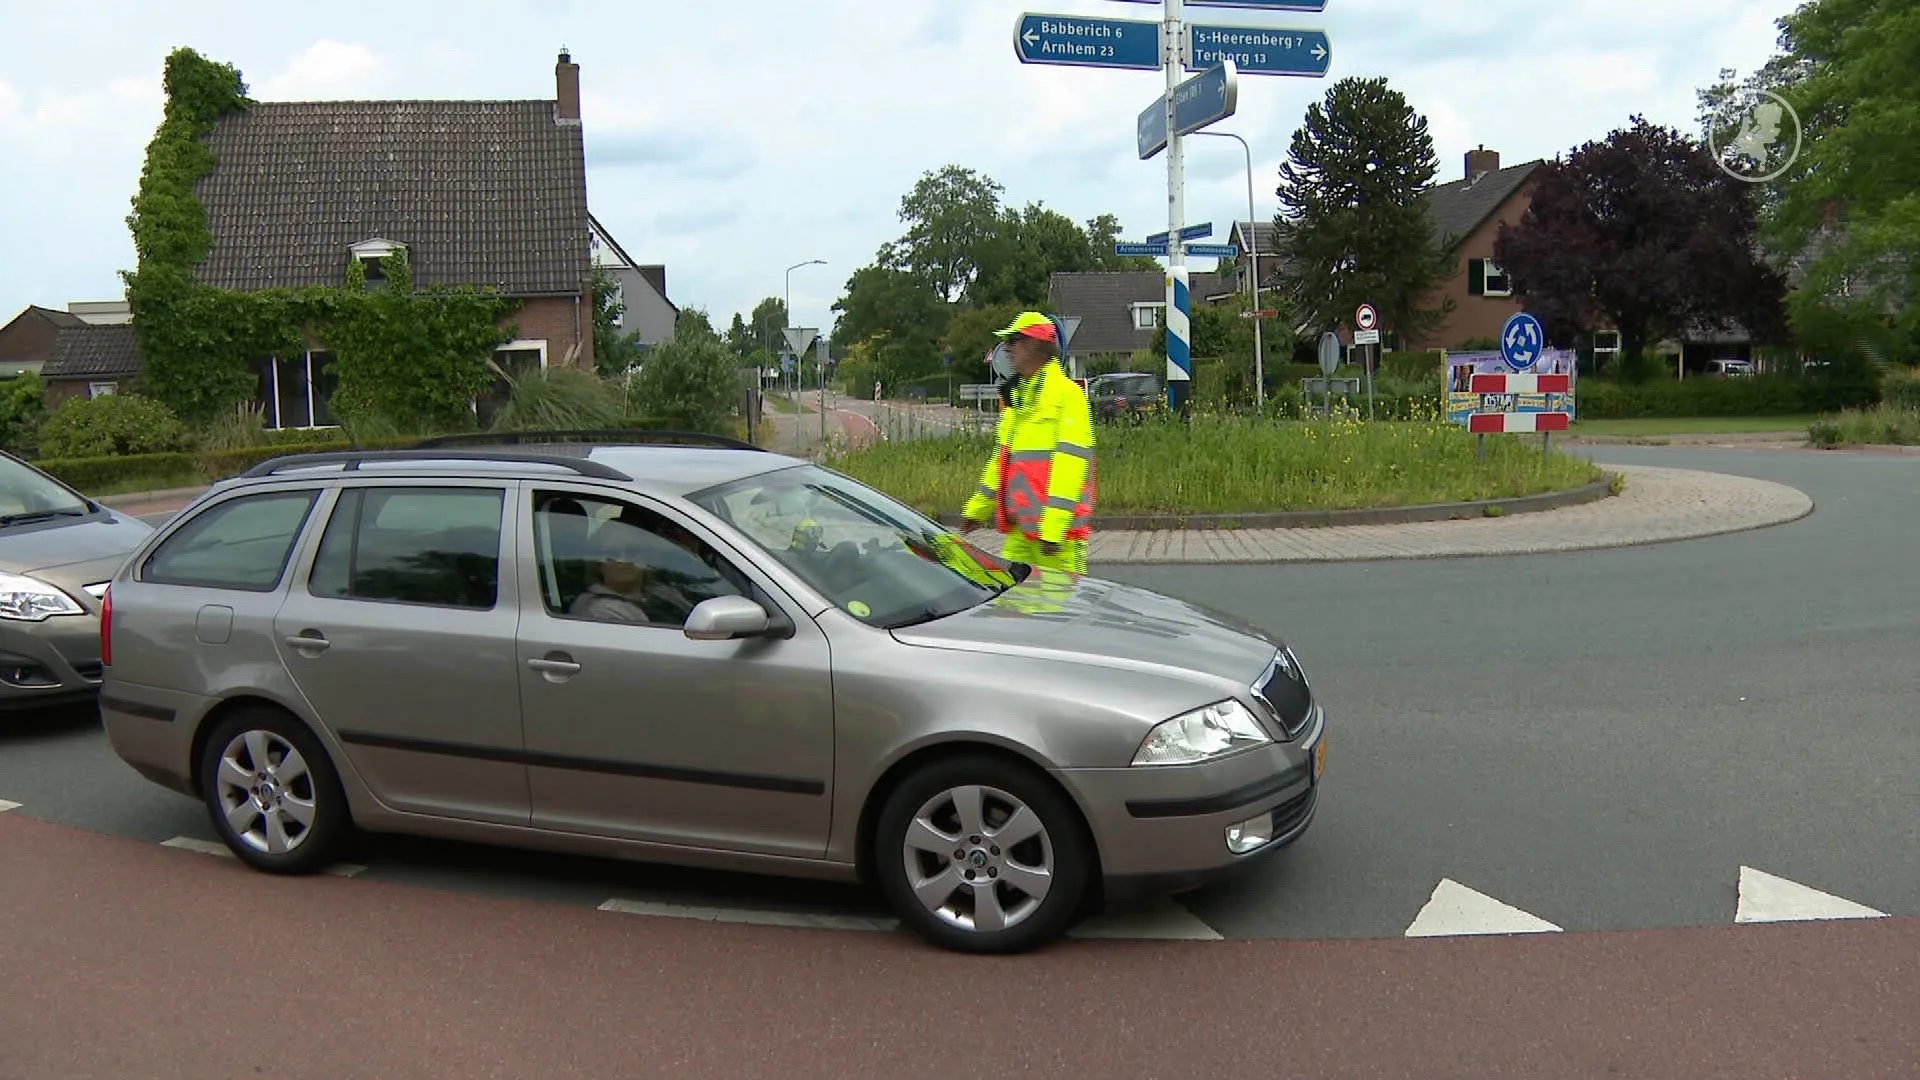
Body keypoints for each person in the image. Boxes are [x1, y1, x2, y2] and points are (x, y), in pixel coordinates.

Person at [960, 311, 1096, 575]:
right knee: (1015, 610)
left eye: (1014, 340)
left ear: (1036, 345)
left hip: (1057, 540)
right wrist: (977, 510)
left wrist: (1054, 529)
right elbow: (1001, 462)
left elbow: (1071, 465)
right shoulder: (1019, 399)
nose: (1007, 349)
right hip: (1020, 532)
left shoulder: (1068, 396)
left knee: (1058, 612)